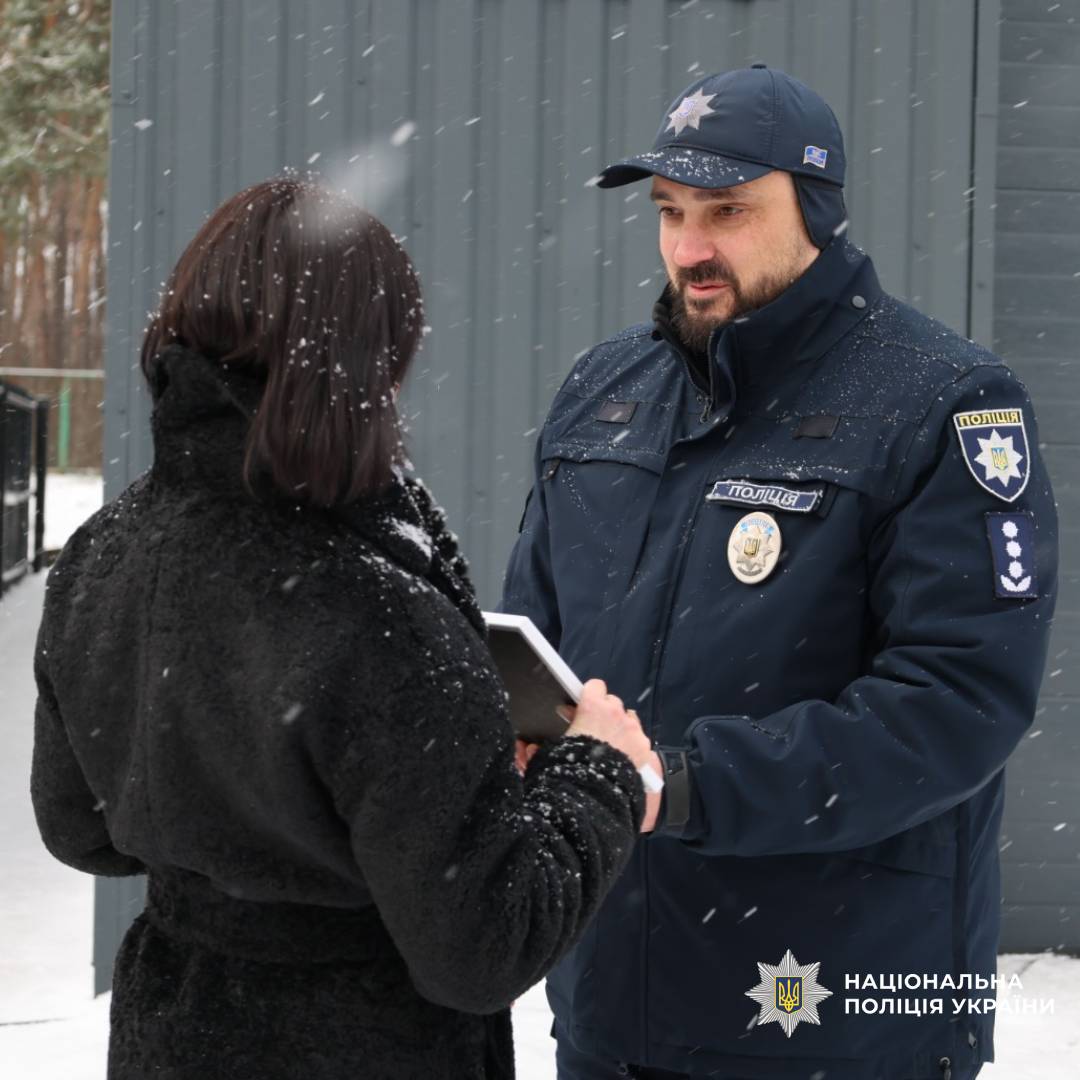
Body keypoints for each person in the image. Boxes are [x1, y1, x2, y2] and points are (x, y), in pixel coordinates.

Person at [29, 176, 660, 1080]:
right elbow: (481, 948)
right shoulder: (381, 619)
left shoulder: (103, 551)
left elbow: (78, 828)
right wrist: (597, 775)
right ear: (365, 364)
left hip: (173, 1033)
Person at [502, 65, 1058, 1080]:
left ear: (818, 212)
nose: (689, 246)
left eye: (728, 210)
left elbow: (958, 703)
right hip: (609, 1008)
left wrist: (684, 784)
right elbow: (540, 646)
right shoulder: (604, 393)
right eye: (671, 211)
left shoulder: (943, 402)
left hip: (836, 1019)